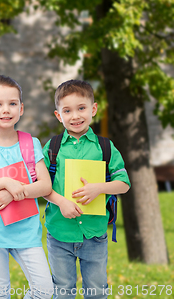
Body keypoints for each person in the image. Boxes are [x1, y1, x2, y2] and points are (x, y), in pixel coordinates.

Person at [0, 75, 54, 299]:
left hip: (26, 231)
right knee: (0, 291)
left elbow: (45, 185)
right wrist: (5, 182)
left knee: (45, 290)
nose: (6, 110)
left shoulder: (31, 144)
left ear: (21, 108)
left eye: (12, 103)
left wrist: (12, 194)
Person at [43, 79, 130, 299]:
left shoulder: (105, 147)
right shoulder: (52, 148)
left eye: (81, 108)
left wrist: (99, 188)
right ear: (58, 115)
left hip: (95, 234)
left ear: (93, 109)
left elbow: (124, 183)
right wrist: (61, 201)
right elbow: (40, 186)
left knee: (97, 291)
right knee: (62, 291)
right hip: (59, 232)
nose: (75, 116)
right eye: (67, 110)